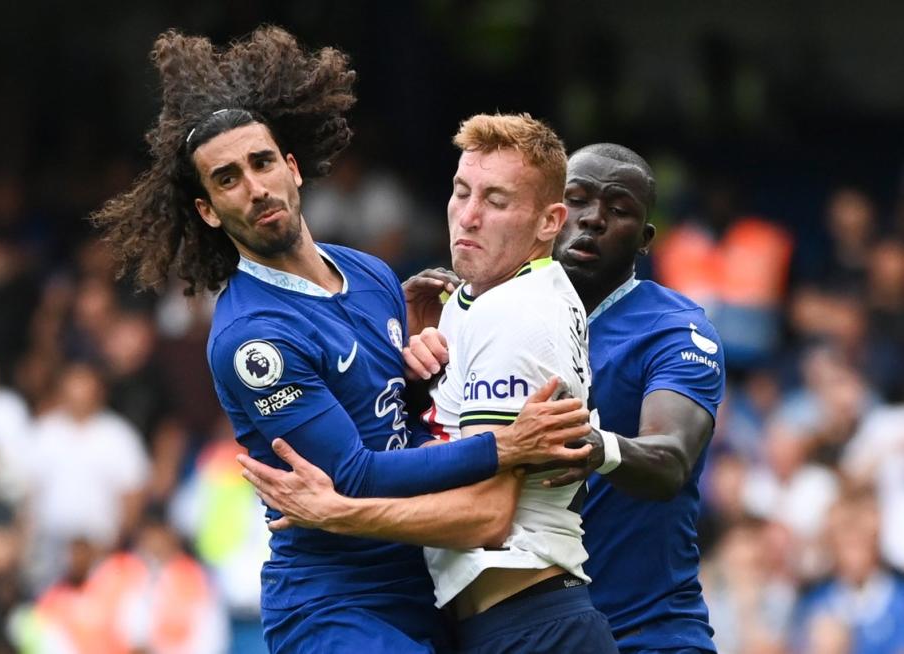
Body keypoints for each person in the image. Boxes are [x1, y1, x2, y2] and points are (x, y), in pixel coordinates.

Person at [90, 26, 592, 653]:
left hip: (421, 580)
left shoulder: (372, 274)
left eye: (262, 162)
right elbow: (350, 476)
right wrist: (505, 445)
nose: (254, 186)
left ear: (293, 168)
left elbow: (392, 419)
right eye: (226, 179)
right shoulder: (254, 339)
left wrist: (423, 376)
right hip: (333, 601)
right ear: (209, 211)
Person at [242, 143, 726, 653]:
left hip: (648, 630)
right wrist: (406, 367)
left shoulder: (673, 330)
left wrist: (596, 446)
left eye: (619, 210)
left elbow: (670, 462)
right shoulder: (474, 314)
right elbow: (430, 453)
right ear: (551, 214)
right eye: (578, 200)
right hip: (509, 622)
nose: (593, 221)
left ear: (645, 238)